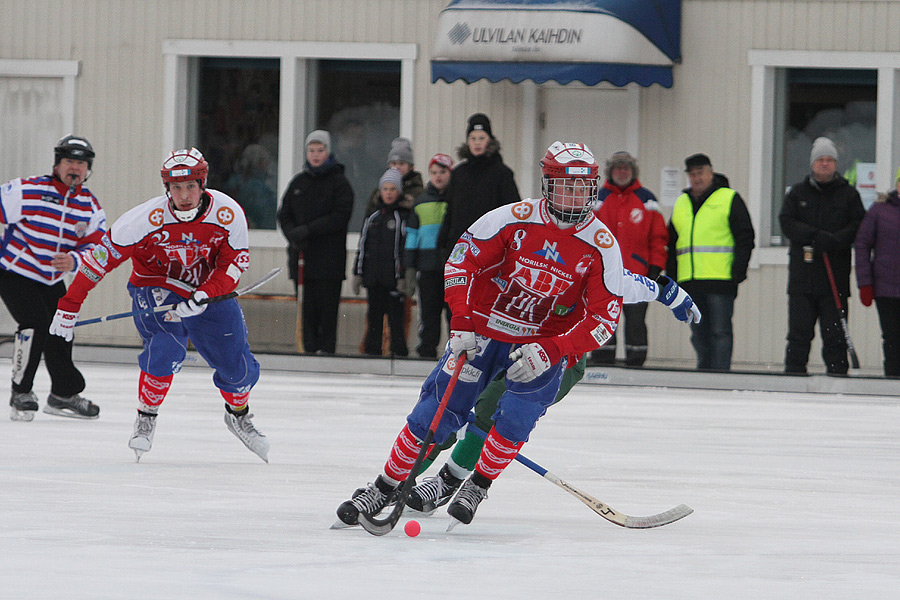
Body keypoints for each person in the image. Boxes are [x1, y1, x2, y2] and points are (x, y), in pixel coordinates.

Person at [336, 142, 700, 528]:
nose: (576, 198)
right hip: (487, 333)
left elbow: (607, 310)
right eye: (567, 187)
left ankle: (463, 481)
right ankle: (387, 484)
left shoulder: (601, 244)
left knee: (503, 418)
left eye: (583, 189)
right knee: (436, 413)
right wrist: (461, 320)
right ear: (548, 185)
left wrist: (554, 349)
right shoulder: (512, 219)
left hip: (544, 348)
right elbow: (462, 261)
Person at [48, 148, 269, 463]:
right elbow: (98, 261)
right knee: (166, 347)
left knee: (237, 367)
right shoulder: (143, 219)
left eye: (191, 186)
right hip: (155, 284)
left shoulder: (228, 213)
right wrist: (68, 306)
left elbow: (233, 265)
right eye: (176, 188)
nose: (184, 195)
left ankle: (239, 415)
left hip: (208, 288)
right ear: (167, 188)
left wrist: (205, 294)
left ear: (202, 184)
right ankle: (147, 415)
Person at [1, 135, 105, 421]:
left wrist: (75, 260)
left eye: (81, 163)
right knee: (35, 323)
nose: (75, 167)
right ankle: (20, 392)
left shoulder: (89, 206)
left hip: (50, 278)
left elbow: (98, 248)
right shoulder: (28, 189)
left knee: (61, 326)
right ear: (57, 164)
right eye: (69, 161)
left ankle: (63, 393)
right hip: (14, 271)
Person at [780, 137, 865, 375]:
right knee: (798, 335)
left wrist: (835, 240)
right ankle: (793, 377)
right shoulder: (798, 193)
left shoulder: (848, 195)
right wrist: (811, 235)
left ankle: (838, 379)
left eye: (829, 160)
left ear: (836, 164)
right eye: (820, 160)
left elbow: (858, 224)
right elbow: (786, 222)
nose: (825, 164)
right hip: (802, 281)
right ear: (812, 164)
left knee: (835, 337)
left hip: (834, 281)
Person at [666, 153, 755, 372]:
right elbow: (672, 242)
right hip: (690, 282)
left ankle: (720, 375)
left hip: (720, 280)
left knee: (720, 332)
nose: (697, 178)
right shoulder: (681, 202)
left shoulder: (729, 198)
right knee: (698, 334)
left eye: (701, 173)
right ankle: (704, 373)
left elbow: (745, 237)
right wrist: (673, 278)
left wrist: (738, 271)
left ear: (711, 173)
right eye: (692, 174)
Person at [277, 130, 354, 354]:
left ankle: (326, 352)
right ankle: (307, 350)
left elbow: (340, 216)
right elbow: (284, 214)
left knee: (326, 312)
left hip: (328, 262)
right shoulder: (299, 182)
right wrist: (293, 234)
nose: (316, 155)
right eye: (311, 150)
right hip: (302, 260)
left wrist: (309, 231)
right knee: (306, 311)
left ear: (328, 152)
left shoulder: (339, 183)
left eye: (320, 150)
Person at [589, 151, 668, 367]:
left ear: (633, 172)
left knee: (635, 321)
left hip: (637, 273)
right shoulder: (597, 199)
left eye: (626, 168)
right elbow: (584, 235)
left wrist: (655, 267)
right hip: (602, 274)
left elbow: (659, 237)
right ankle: (602, 358)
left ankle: (636, 361)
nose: (622, 172)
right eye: (617, 168)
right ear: (610, 172)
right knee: (602, 317)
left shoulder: (647, 199)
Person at [438, 113, 520, 264]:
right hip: (460, 246)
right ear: (467, 141)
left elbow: (512, 213)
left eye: (481, 138)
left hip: (491, 245)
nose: (477, 143)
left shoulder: (502, 174)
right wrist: (442, 244)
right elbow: (450, 212)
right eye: (473, 138)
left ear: (489, 141)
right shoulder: (458, 173)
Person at [352, 168, 411, 357]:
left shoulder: (402, 217)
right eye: (385, 189)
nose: (389, 193)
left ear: (398, 192)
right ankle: (372, 353)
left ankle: (399, 353)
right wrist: (358, 273)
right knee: (374, 318)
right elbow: (363, 245)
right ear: (380, 192)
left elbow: (404, 249)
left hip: (393, 280)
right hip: (373, 278)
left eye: (393, 189)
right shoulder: (373, 217)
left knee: (396, 319)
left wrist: (403, 276)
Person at [403, 153, 453, 358]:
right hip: (428, 266)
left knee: (454, 315)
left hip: (452, 268)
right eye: (434, 172)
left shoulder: (457, 199)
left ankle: (455, 355)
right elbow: (412, 237)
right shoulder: (420, 201)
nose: (438, 176)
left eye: (443, 172)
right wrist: (409, 267)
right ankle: (426, 351)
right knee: (429, 314)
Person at [855, 177, 900, 378]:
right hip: (886, 288)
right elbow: (862, 244)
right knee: (892, 339)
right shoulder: (880, 210)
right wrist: (865, 283)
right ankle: (892, 383)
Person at [363, 137, 424, 214]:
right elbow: (369, 214)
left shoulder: (417, 191)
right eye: (394, 163)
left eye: (401, 164)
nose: (397, 167)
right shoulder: (379, 191)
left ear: (411, 167)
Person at [224, 143, 277, 229]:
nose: (267, 163)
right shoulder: (254, 186)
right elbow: (262, 211)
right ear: (257, 162)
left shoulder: (264, 182)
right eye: (263, 160)